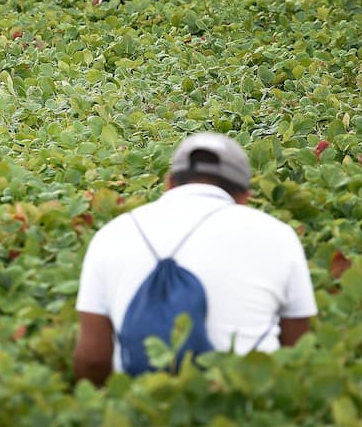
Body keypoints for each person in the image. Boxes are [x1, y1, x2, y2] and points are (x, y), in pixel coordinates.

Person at [73, 133, 318, 387]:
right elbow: (296, 351)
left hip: (144, 399)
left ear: (169, 183)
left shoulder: (113, 234)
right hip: (245, 399)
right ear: (245, 196)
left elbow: (93, 360)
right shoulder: (278, 235)